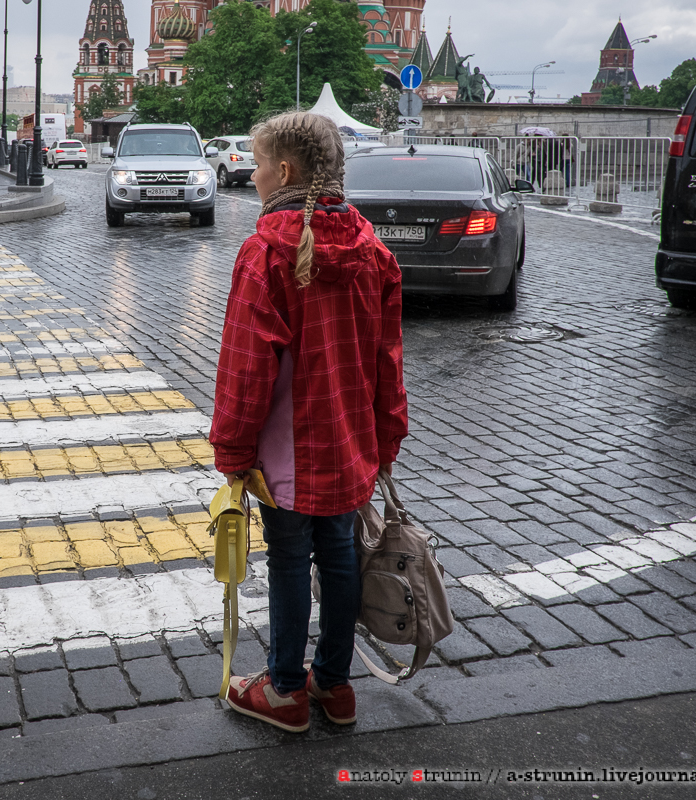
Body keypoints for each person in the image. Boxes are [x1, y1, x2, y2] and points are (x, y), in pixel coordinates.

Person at [209, 111, 408, 733]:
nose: (254, 171)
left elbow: (246, 366)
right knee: (342, 555)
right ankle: (334, 685)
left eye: (258, 161)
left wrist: (233, 451)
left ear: (285, 171)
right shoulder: (372, 247)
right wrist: (384, 439)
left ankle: (286, 690)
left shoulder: (266, 251)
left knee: (291, 560)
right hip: (350, 444)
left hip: (286, 456)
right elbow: (388, 360)